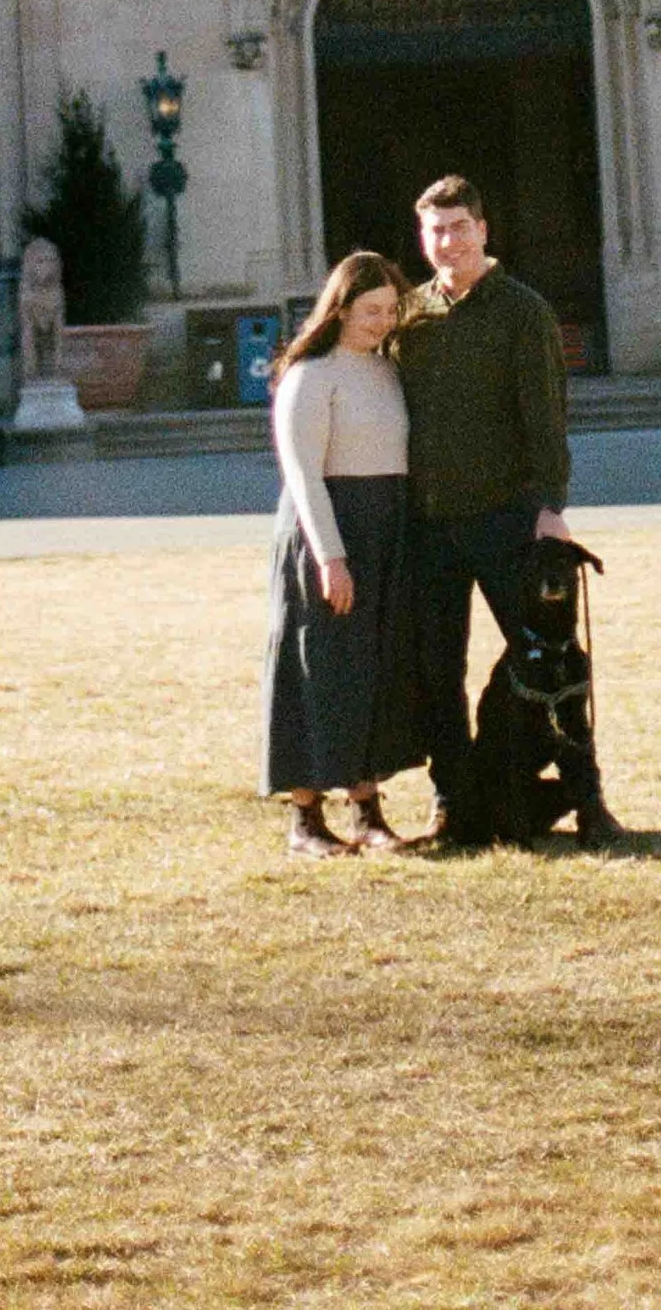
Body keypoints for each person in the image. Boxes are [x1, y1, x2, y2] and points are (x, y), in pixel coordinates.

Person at [396, 174, 617, 848]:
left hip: (507, 518)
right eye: (435, 229)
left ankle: (588, 799)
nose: (447, 241)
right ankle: (451, 798)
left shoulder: (523, 311)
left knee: (550, 659)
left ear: (484, 230)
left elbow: (547, 418)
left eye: (459, 226)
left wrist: (551, 505)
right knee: (439, 672)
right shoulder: (409, 314)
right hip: (430, 527)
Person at [262, 250, 418, 861]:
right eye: (369, 311)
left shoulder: (386, 370)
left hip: (385, 532)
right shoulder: (310, 374)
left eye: (389, 311)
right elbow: (303, 477)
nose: (381, 322)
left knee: (370, 669)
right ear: (340, 308)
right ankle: (305, 818)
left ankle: (367, 809)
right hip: (325, 536)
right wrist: (331, 557)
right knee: (316, 669)